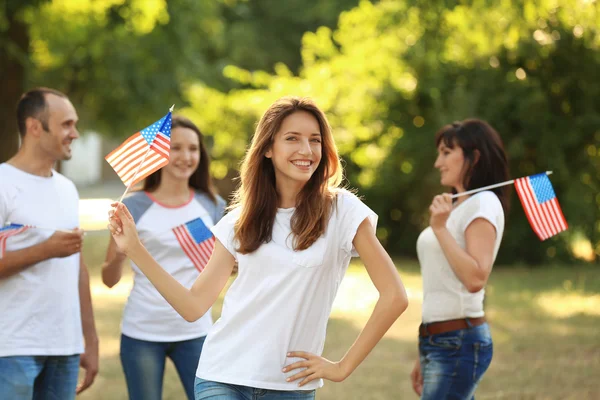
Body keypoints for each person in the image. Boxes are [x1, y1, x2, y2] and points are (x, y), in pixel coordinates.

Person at [107, 96, 408, 400]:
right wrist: (134, 249)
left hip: (290, 386)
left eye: (315, 140)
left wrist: (342, 367)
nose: (306, 150)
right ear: (267, 148)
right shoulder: (239, 220)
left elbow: (395, 296)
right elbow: (193, 306)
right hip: (221, 376)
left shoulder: (343, 210)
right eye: (292, 139)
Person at [102, 115, 226, 400]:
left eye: (193, 149)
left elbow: (223, 269)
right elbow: (109, 280)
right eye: (176, 148)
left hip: (197, 330)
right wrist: (122, 253)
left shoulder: (212, 204)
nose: (186, 156)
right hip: (143, 332)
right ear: (157, 154)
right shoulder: (132, 206)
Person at [0, 87, 99, 399]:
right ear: (34, 127)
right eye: (66, 125)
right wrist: (46, 249)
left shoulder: (67, 189)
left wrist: (90, 339)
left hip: (65, 349)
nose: (75, 134)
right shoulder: (3, 184)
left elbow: (78, 268)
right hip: (12, 348)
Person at [411, 119, 510, 399]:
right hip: (438, 340)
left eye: (446, 152)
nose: (437, 162)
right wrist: (424, 351)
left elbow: (476, 278)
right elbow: (439, 283)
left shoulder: (483, 203)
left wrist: (440, 228)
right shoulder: (457, 206)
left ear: (474, 157)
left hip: (458, 342)